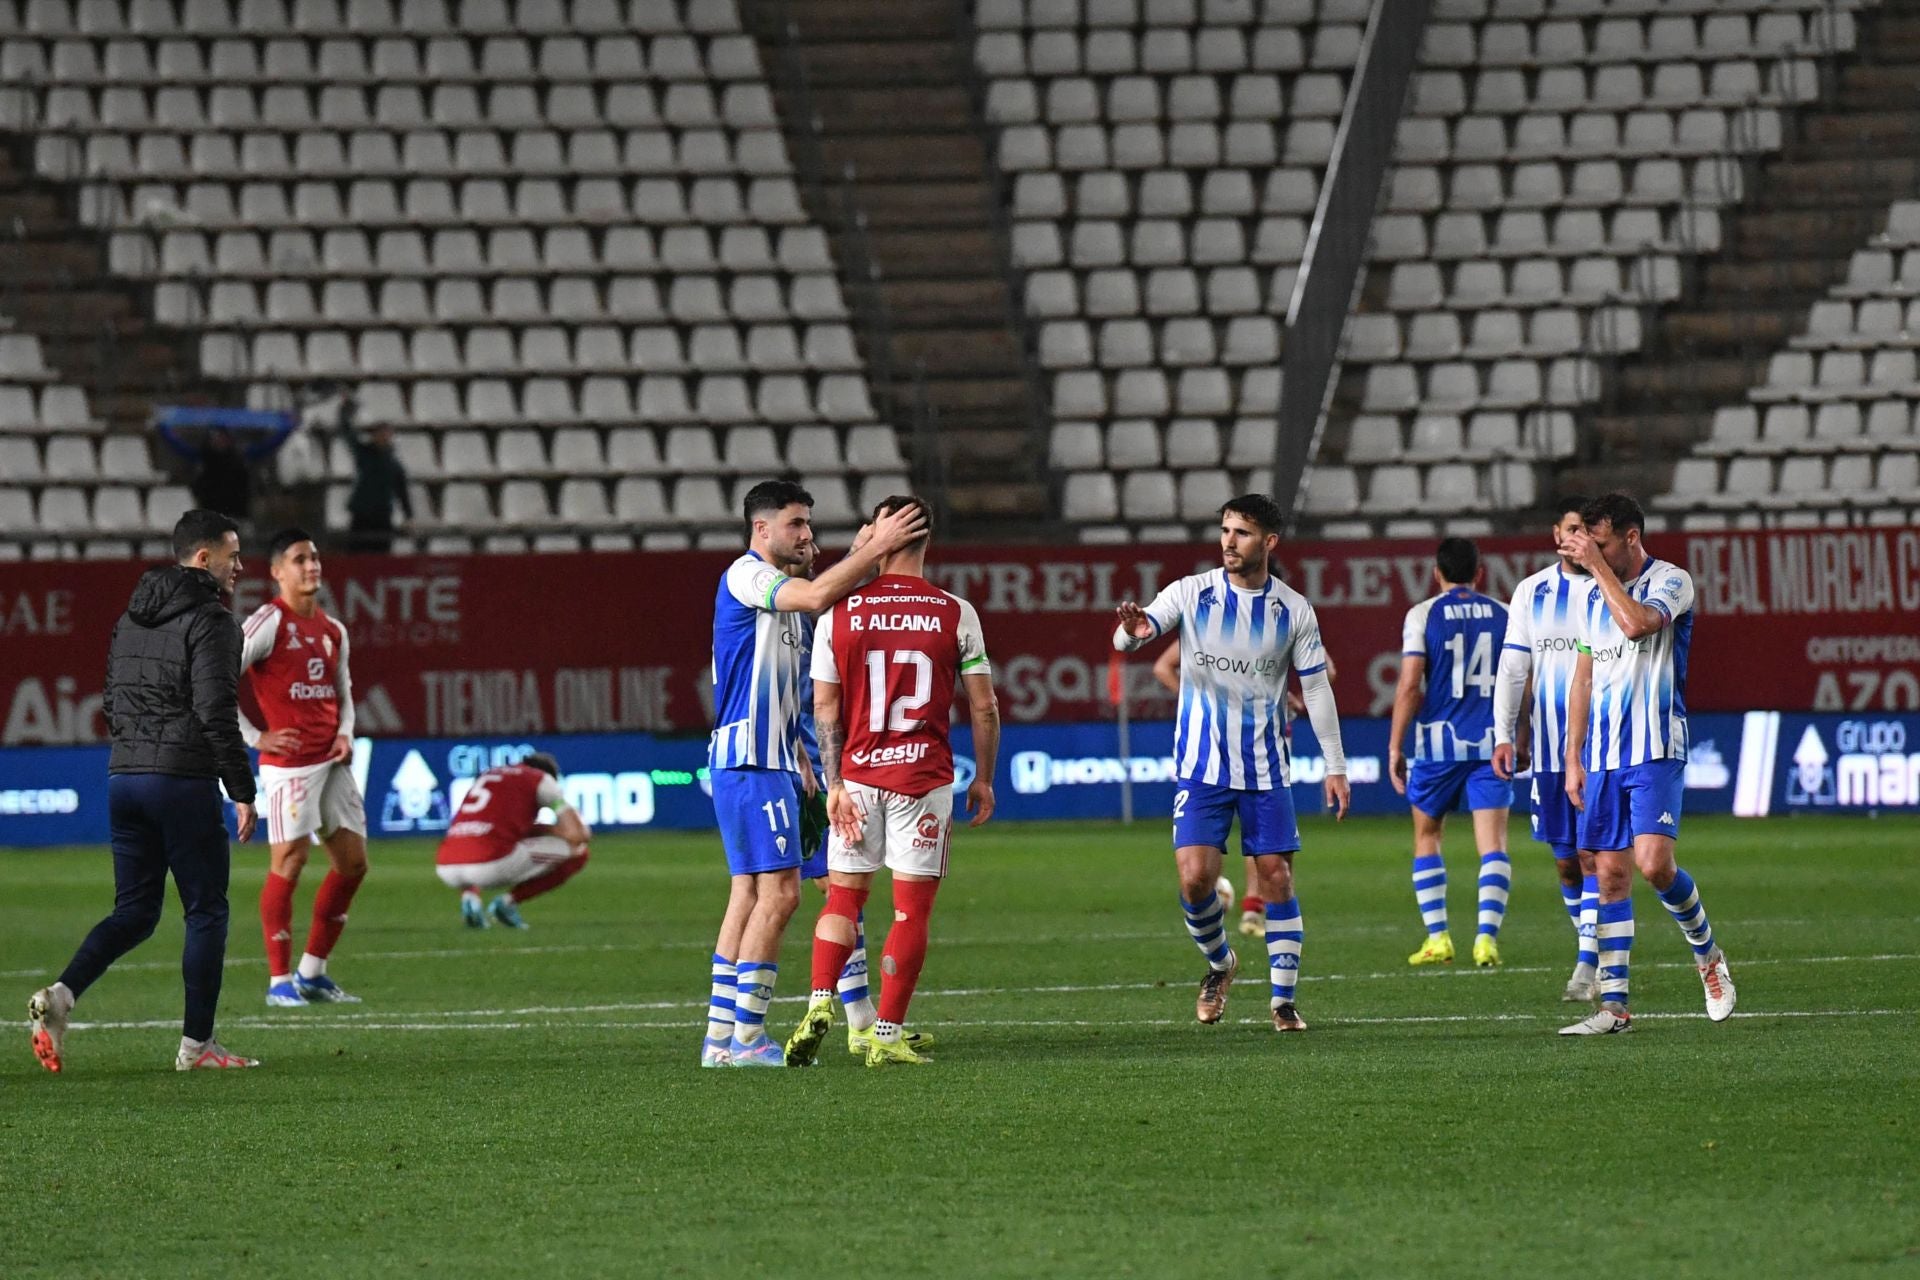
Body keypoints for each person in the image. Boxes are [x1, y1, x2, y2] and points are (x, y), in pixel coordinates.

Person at [700, 481, 930, 1068]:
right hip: (753, 760)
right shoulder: (749, 576)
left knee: (753, 893)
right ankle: (747, 1040)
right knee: (780, 895)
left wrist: (806, 762)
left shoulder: (790, 596)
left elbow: (792, 676)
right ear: (761, 530)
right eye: (796, 524)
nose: (806, 534)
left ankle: (722, 1039)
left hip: (776, 760)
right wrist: (876, 545)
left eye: (809, 524)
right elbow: (816, 594)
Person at [27, 509, 262, 1072]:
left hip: (125, 778)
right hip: (181, 780)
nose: (240, 566)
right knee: (206, 910)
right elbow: (214, 710)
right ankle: (197, 1047)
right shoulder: (213, 621)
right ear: (204, 558)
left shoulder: (130, 619)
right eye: (233, 555)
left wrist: (136, 754)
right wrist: (242, 788)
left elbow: (110, 698)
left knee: (135, 911)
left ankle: (60, 998)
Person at [1112, 494, 1350, 1034]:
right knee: (1197, 879)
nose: (1228, 542)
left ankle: (1283, 1002)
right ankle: (1221, 966)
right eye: (1224, 530)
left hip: (1266, 768)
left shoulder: (1294, 610)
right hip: (1201, 766)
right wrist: (1132, 629)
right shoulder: (1191, 593)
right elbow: (1130, 637)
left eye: (1241, 533)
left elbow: (1316, 688)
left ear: (1268, 543)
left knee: (1276, 879)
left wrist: (1334, 764)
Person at [784, 495, 1000, 1068]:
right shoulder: (955, 612)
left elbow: (824, 707)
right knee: (910, 913)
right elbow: (984, 708)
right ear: (927, 542)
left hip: (856, 777)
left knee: (845, 899)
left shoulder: (839, 612)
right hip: (922, 781)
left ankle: (819, 1001)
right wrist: (985, 779)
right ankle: (885, 1032)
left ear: (878, 539)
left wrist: (834, 784)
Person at [1560, 493, 1735, 1036]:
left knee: (1655, 864)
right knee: (1610, 875)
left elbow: (1637, 625)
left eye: (1603, 542)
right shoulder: (1590, 598)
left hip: (1657, 746)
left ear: (1631, 538)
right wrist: (1573, 756)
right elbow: (1583, 678)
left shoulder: (1671, 581)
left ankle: (1708, 957)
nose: (1593, 551)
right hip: (1605, 755)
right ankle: (1614, 1009)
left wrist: (1593, 567)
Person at [240, 529, 369, 1006]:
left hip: (331, 762)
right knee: (290, 862)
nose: (311, 566)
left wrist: (344, 732)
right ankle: (278, 982)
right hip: (289, 767)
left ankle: (313, 972)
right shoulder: (267, 623)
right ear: (277, 572)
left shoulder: (334, 630)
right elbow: (215, 680)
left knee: (353, 864)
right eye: (299, 559)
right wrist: (257, 737)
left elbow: (344, 691)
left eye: (314, 557)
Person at [1491, 498, 1604, 1002]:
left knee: (1591, 852)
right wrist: (1502, 732)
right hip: (1549, 749)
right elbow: (1514, 667)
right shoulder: (1530, 592)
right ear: (1557, 533)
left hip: (1602, 748)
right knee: (1564, 860)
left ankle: (1588, 959)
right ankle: (1592, 947)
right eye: (1572, 529)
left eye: (1588, 531)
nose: (1579, 539)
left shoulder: (1609, 590)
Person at [1152, 637, 1337, 937]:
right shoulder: (1206, 625)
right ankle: (1241, 906)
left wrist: (1286, 695)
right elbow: (1163, 667)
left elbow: (1325, 671)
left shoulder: (1284, 617)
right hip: (1215, 746)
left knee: (1264, 838)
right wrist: (1196, 700)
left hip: (1264, 742)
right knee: (1211, 837)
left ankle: (1253, 906)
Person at [1389, 538, 1514, 969]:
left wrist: (1394, 745)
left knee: (1428, 836)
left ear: (1436, 573)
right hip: (1491, 744)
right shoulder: (1504, 614)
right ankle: (1486, 939)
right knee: (1493, 846)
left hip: (1438, 745)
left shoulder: (1422, 615)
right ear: (1479, 573)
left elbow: (1408, 686)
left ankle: (1438, 937)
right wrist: (1521, 736)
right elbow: (1522, 682)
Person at [434, 752, 590, 926]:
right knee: (579, 852)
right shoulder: (542, 780)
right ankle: (508, 903)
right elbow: (579, 835)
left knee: (473, 843)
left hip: (445, 865)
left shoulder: (488, 775)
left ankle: (470, 898)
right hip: (490, 865)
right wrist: (546, 828)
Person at [337, 399, 412, 553]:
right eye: (380, 433)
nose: (383, 437)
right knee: (356, 556)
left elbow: (402, 490)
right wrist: (345, 412)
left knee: (381, 559)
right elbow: (347, 433)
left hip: (382, 516)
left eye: (386, 433)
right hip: (362, 515)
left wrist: (408, 516)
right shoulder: (364, 453)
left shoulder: (394, 464)